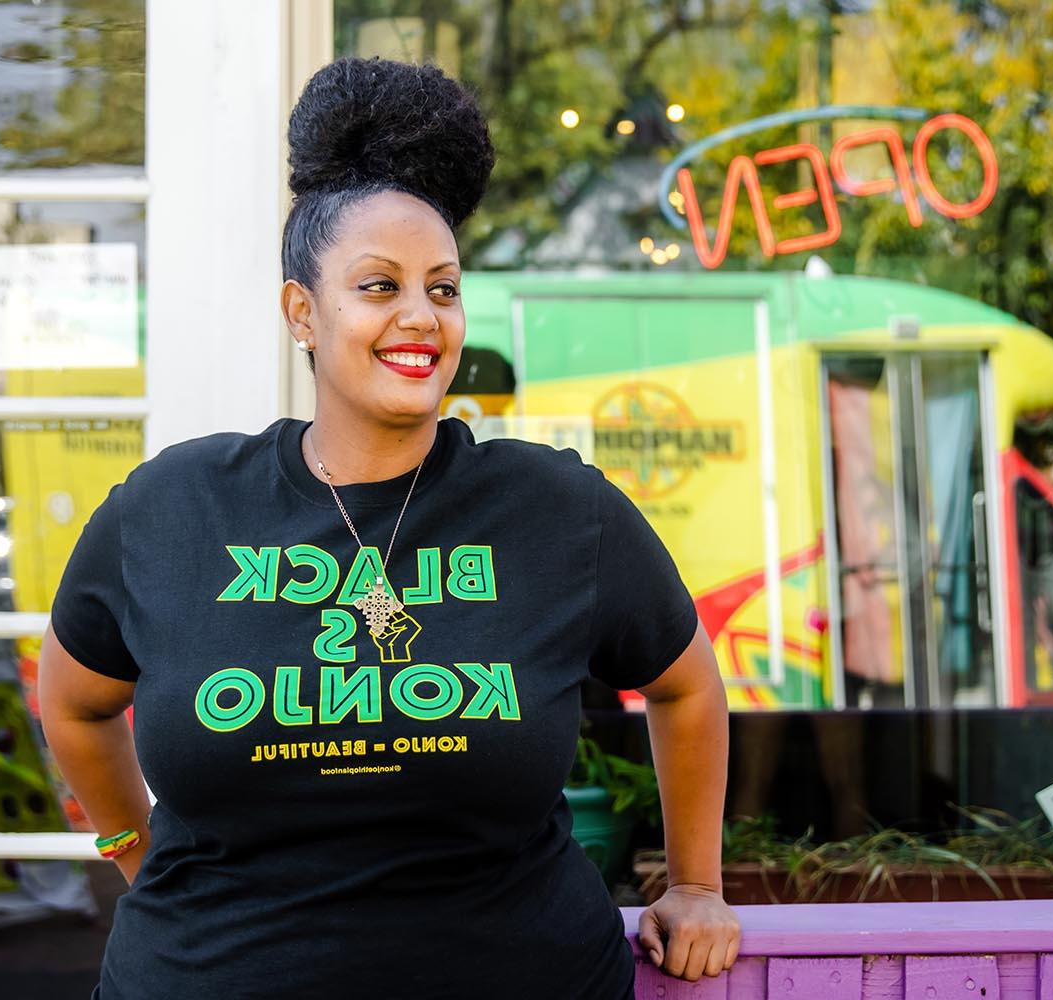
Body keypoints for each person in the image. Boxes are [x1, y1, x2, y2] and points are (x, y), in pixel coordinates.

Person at [40, 57, 739, 1000]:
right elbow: (75, 704)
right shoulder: (175, 506)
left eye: (442, 289)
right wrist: (139, 855)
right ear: (303, 311)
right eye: (378, 286)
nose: (420, 316)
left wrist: (696, 884)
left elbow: (688, 688)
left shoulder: (556, 510)